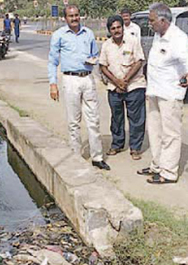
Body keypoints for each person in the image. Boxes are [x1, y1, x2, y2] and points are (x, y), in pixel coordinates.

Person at [137, 3, 188, 184]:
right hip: (155, 91)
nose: (150, 24)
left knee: (170, 133)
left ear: (163, 20)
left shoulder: (178, 37)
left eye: (152, 20)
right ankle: (157, 165)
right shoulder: (158, 35)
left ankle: (169, 172)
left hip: (170, 94)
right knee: (154, 131)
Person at [48, 5, 110, 170]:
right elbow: (53, 61)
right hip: (70, 80)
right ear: (65, 18)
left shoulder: (88, 33)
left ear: (79, 16)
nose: (74, 18)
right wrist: (53, 84)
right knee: (73, 121)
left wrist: (92, 59)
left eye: (76, 15)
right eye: (71, 16)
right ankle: (76, 157)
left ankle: (97, 157)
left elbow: (94, 54)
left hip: (87, 79)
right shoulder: (59, 35)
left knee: (94, 120)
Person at [99, 15, 146, 161]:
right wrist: (116, 82)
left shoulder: (133, 41)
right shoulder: (106, 45)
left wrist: (125, 81)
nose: (116, 30)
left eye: (118, 27)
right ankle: (117, 144)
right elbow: (102, 66)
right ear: (109, 30)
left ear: (122, 27)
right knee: (116, 118)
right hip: (114, 88)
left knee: (136, 119)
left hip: (134, 86)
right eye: (113, 28)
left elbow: (139, 61)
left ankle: (135, 148)